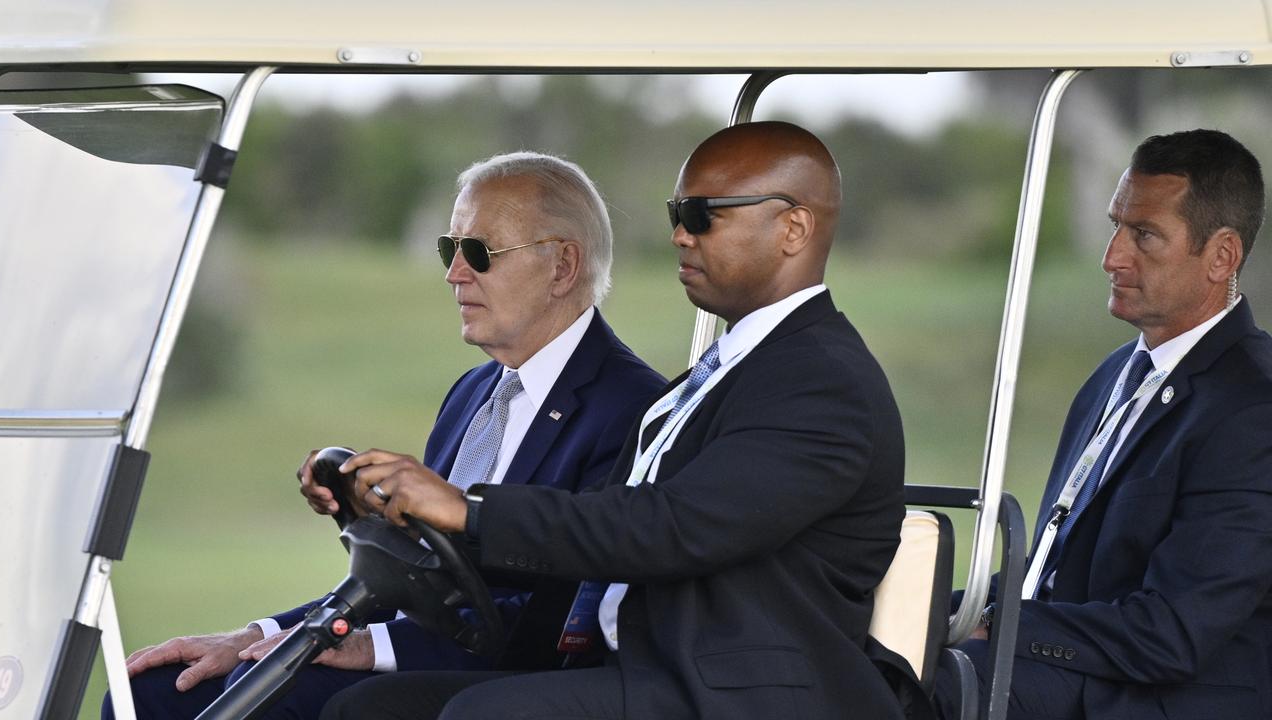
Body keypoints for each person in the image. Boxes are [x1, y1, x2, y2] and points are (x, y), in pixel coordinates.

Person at [321, 121, 908, 720]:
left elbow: (672, 527)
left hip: (738, 692)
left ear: (793, 227)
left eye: (704, 214)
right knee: (369, 710)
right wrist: (395, 515)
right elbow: (608, 522)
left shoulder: (822, 381)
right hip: (645, 670)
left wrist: (467, 510)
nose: (680, 234)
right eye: (677, 211)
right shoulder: (727, 372)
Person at [103, 152, 665, 719]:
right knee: (146, 696)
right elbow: (414, 574)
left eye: (479, 252)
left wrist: (372, 647)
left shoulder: (631, 411)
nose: (454, 273)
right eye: (451, 249)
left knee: (290, 702)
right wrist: (258, 634)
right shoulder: (472, 393)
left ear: (563, 266)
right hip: (417, 654)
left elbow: (565, 619)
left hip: (507, 682)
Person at [939, 129, 1272, 719]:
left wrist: (997, 625)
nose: (1112, 256)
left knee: (930, 685)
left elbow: (1171, 634)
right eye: (1117, 225)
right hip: (1073, 675)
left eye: (1144, 235)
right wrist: (929, 605)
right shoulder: (1116, 374)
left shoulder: (1254, 407)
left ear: (1222, 256)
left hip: (1158, 700)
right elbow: (1056, 576)